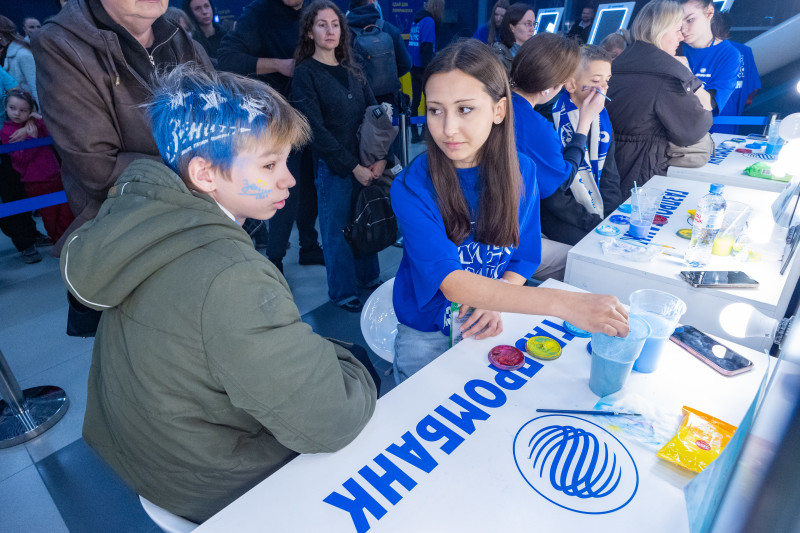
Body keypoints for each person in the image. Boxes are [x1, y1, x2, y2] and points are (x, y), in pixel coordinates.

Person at [60, 64, 378, 523]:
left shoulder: (138, 214)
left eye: (286, 161)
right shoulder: (232, 278)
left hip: (148, 461)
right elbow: (332, 420)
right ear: (205, 174)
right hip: (217, 483)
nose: (289, 179)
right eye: (269, 164)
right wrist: (350, 360)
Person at [390, 39, 629, 383]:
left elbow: (523, 255)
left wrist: (497, 296)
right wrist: (565, 304)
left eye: (465, 109)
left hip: (486, 322)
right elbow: (454, 283)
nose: (447, 129)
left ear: (499, 110)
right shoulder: (413, 186)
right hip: (426, 336)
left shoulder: (523, 173)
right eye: (436, 110)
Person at [31, 0, 213, 255]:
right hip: (128, 235)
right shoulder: (62, 44)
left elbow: (222, 127)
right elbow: (99, 169)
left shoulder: (180, 39)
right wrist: (209, 170)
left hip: (203, 222)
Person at [217, 0, 324, 273]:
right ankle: (274, 260)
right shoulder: (259, 13)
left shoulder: (312, 8)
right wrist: (279, 65)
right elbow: (228, 58)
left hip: (314, 113)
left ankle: (309, 246)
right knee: (284, 190)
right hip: (279, 119)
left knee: (311, 188)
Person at [292, 0, 384, 312]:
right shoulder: (306, 74)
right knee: (337, 231)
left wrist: (379, 158)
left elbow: (376, 112)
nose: (330, 30)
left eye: (335, 24)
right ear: (309, 32)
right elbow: (315, 130)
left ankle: (369, 278)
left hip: (368, 163)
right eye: (322, 24)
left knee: (365, 222)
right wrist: (352, 166)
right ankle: (343, 291)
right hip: (335, 168)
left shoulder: (352, 69)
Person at [606, 0, 713, 192]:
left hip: (608, 167)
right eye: (677, 30)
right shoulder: (667, 76)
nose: (681, 37)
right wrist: (689, 76)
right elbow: (694, 129)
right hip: (641, 175)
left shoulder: (617, 63)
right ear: (660, 30)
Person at [545, 46, 622, 245]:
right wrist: (593, 222)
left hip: (594, 215)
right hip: (558, 216)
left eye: (607, 81)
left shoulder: (602, 118)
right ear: (570, 84)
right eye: (595, 81)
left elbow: (610, 175)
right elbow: (554, 196)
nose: (603, 89)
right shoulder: (550, 120)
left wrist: (611, 217)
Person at [1, 89, 74, 243]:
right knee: (49, 215)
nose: (17, 113)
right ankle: (59, 241)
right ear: (5, 108)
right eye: (12, 108)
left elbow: (52, 133)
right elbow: (21, 159)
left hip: (55, 175)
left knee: (66, 210)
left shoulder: (35, 123)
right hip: (34, 182)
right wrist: (31, 139)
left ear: (30, 111)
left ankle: (67, 239)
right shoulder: (6, 132)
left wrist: (38, 119)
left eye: (23, 110)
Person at [679, 0, 741, 116]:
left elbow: (709, 104)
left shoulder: (728, 54)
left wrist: (685, 74)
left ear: (709, 12)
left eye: (690, 20)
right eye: (677, 21)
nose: (683, 29)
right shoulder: (673, 46)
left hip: (701, 128)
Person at [346, 0, 411, 107]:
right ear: (372, 1)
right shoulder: (389, 29)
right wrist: (385, 76)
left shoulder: (343, 34)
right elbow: (406, 64)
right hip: (388, 102)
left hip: (357, 102)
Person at [408, 0, 443, 143]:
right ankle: (425, 134)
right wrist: (431, 70)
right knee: (430, 101)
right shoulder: (428, 21)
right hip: (424, 69)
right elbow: (427, 48)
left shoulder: (416, 21)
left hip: (413, 66)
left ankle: (414, 135)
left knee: (415, 101)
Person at [0, 16, 38, 108]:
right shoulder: (5, 51)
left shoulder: (22, 54)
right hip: (16, 113)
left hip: (29, 114)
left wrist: (37, 117)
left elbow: (36, 88)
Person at [492, 3, 535, 74]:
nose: (532, 29)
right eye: (528, 24)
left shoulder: (531, 52)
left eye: (534, 24)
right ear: (512, 27)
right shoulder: (499, 56)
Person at [182, 0, 227, 64]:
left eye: (206, 6)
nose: (204, 12)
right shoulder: (192, 42)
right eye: (198, 8)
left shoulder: (226, 36)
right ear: (190, 13)